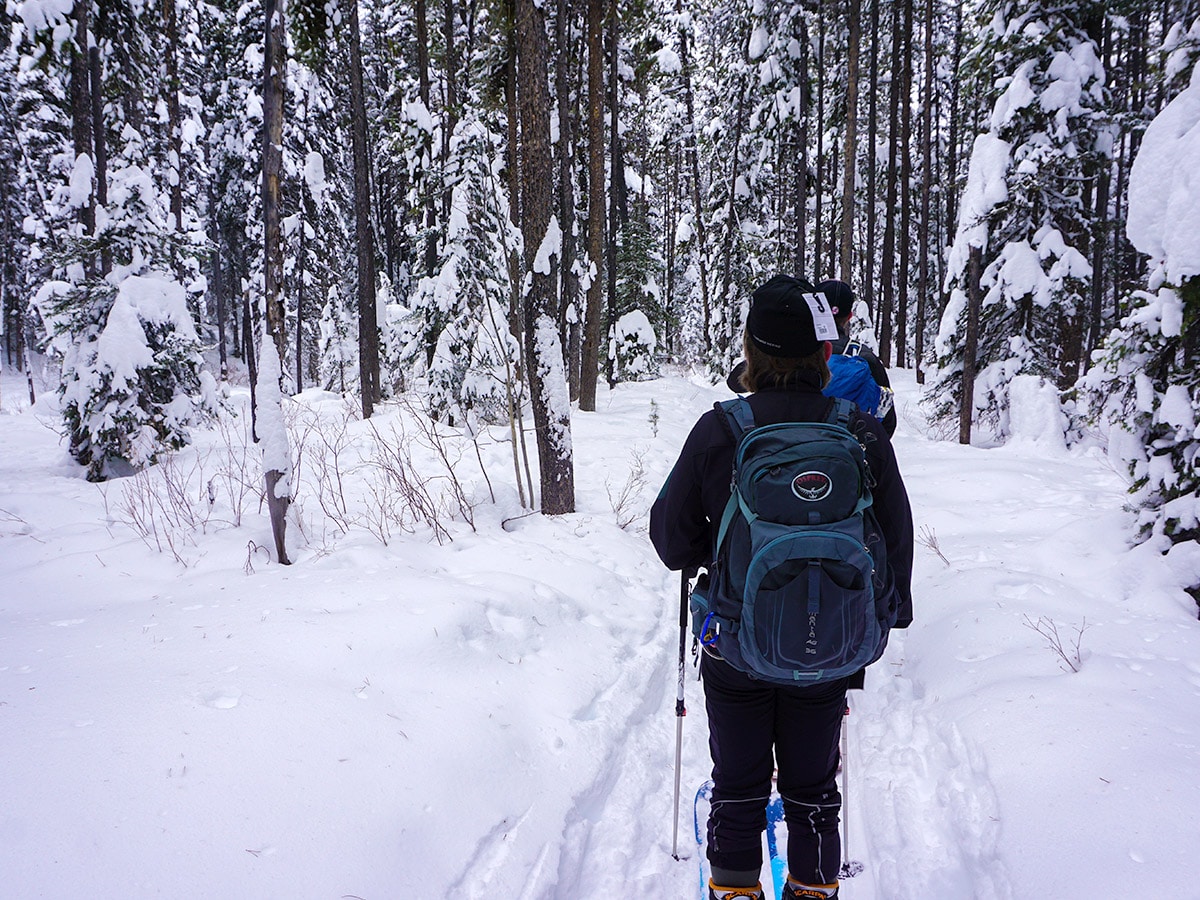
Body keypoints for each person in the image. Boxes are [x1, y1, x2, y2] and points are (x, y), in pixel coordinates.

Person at [651, 274, 913, 900]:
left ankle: (735, 891)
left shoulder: (723, 429)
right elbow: (896, 536)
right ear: (825, 351)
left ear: (750, 350)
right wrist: (885, 613)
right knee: (815, 794)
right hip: (828, 649)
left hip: (737, 644)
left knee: (738, 787)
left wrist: (714, 556)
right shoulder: (861, 432)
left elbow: (669, 537)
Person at [816, 279, 897, 438]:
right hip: (850, 456)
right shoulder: (866, 358)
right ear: (850, 316)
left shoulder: (796, 356)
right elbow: (887, 421)